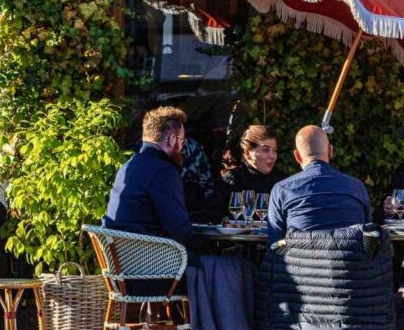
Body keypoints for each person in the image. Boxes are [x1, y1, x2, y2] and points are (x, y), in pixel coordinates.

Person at [104, 106, 202, 270]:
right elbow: (178, 229)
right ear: (171, 139)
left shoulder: (128, 166)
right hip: (154, 270)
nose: (182, 147)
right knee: (236, 267)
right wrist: (208, 248)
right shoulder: (164, 172)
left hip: (124, 267)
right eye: (182, 140)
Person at [266, 125, 371, 245]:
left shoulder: (282, 189)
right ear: (330, 151)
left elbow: (275, 242)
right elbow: (368, 236)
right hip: (352, 262)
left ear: (297, 156)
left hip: (300, 262)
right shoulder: (357, 187)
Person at [212, 125, 283, 220]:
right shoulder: (231, 180)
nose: (272, 156)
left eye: (275, 150)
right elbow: (215, 216)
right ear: (247, 153)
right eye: (266, 150)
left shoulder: (281, 181)